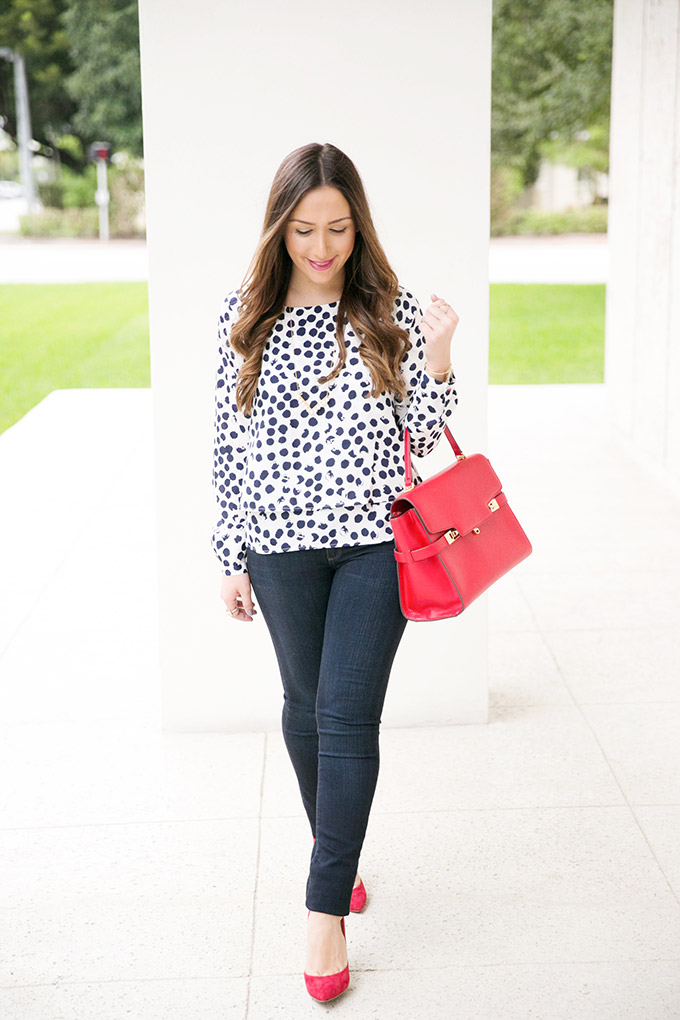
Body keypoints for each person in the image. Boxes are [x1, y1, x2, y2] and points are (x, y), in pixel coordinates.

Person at [211, 142, 459, 1002]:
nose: (322, 247)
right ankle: (339, 857)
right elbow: (228, 444)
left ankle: (324, 911)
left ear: (360, 227)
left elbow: (422, 435)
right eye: (305, 229)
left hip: (374, 547)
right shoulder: (244, 315)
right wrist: (230, 554)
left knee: (347, 717)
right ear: (279, 229)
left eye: (339, 229)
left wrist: (438, 355)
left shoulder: (387, 307)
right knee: (304, 706)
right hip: (278, 546)